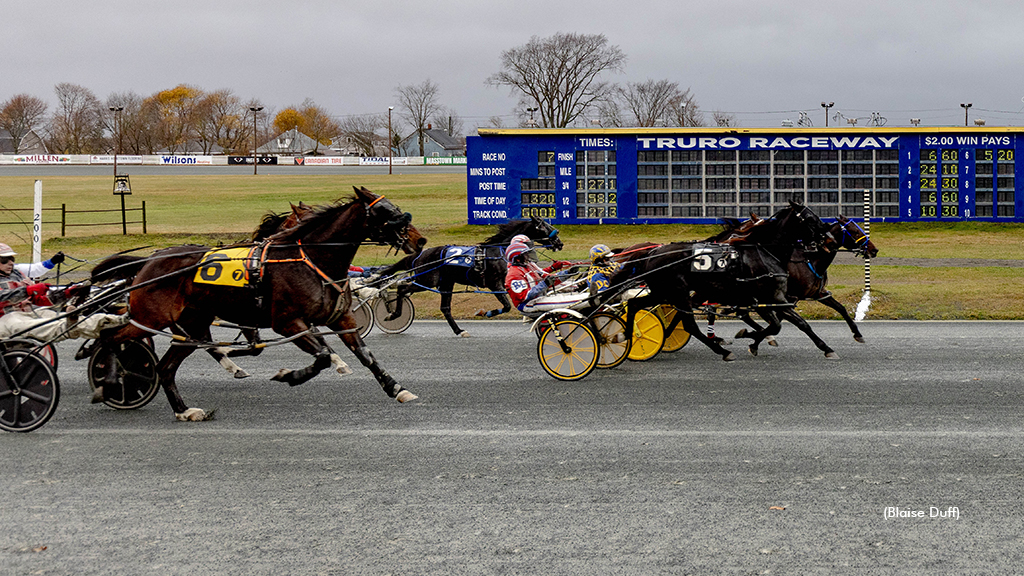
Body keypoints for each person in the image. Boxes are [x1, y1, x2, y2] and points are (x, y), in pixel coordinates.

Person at [0, 243, 126, 342]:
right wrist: (27, 290)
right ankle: (69, 328)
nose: (11, 262)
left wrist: (66, 294)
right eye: (4, 260)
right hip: (7, 319)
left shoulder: (17, 274)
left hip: (30, 312)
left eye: (11, 258)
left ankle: (116, 321)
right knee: (43, 326)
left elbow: (41, 300)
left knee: (61, 317)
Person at [503, 241, 575, 317]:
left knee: (571, 297)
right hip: (528, 304)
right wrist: (545, 284)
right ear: (518, 258)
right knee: (572, 301)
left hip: (539, 298)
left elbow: (549, 278)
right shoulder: (514, 274)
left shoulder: (528, 266)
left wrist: (567, 273)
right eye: (525, 254)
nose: (528, 256)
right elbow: (524, 296)